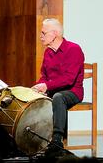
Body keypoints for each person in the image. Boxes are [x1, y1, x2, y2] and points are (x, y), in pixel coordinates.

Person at [31, 18, 85, 148]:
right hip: (53, 91)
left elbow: (69, 79)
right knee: (32, 97)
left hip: (72, 92)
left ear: (54, 34)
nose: (40, 36)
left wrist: (47, 86)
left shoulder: (73, 49)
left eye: (43, 33)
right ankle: (33, 140)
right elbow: (44, 76)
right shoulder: (48, 52)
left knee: (58, 97)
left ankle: (57, 140)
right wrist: (38, 87)